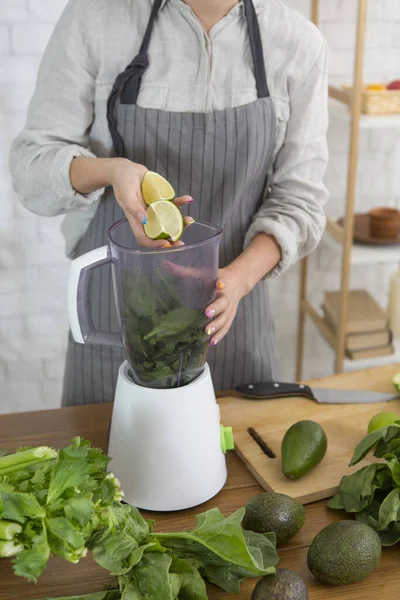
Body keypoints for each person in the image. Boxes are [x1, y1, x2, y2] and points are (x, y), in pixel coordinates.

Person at [10, 0, 328, 404]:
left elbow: (300, 198)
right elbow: (32, 166)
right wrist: (111, 171)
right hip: (116, 320)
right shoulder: (96, 18)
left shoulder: (299, 43)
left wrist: (238, 280)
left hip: (228, 316)